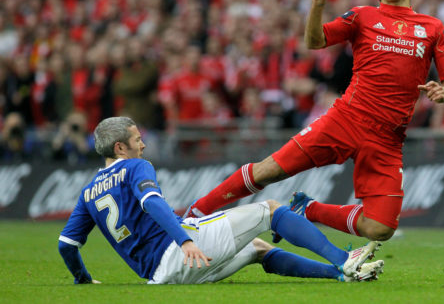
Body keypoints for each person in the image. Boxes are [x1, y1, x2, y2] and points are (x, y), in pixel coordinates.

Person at [184, 0, 444, 244]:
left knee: (380, 228)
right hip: (346, 119)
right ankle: (195, 212)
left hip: (387, 139)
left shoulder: (432, 27)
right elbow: (315, 41)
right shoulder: (362, 16)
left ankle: (306, 209)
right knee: (269, 170)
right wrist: (318, 4)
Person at [58, 117, 385, 284]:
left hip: (161, 278)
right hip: (182, 253)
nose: (142, 145)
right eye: (136, 139)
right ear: (120, 148)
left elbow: (66, 245)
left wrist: (83, 279)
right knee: (270, 209)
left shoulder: (89, 192)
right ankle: (344, 259)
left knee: (258, 248)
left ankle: (340, 275)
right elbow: (153, 204)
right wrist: (185, 240)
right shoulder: (135, 166)